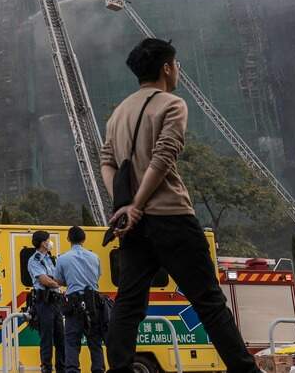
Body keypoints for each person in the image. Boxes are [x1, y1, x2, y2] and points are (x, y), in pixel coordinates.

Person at [101, 38, 259, 373]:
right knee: (209, 302)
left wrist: (124, 207)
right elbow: (163, 158)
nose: (178, 70)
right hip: (171, 217)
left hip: (133, 227)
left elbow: (107, 163)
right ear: (166, 68)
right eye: (177, 64)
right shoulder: (172, 104)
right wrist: (137, 204)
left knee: (128, 304)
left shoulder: (118, 114)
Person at [55, 226, 104, 373]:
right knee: (95, 341)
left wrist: (71, 282)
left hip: (74, 304)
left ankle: (72, 370)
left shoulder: (62, 258)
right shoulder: (94, 257)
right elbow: (97, 277)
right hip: (93, 302)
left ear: (68, 239)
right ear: (84, 239)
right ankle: (98, 370)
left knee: (71, 341)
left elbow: (59, 280)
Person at [28, 230, 66, 373]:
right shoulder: (34, 260)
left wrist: (57, 282)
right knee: (47, 339)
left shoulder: (50, 258)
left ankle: (62, 368)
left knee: (60, 338)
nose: (50, 242)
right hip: (44, 302)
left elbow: (56, 277)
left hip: (56, 302)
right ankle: (47, 368)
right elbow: (45, 280)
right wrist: (59, 284)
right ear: (43, 243)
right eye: (48, 240)